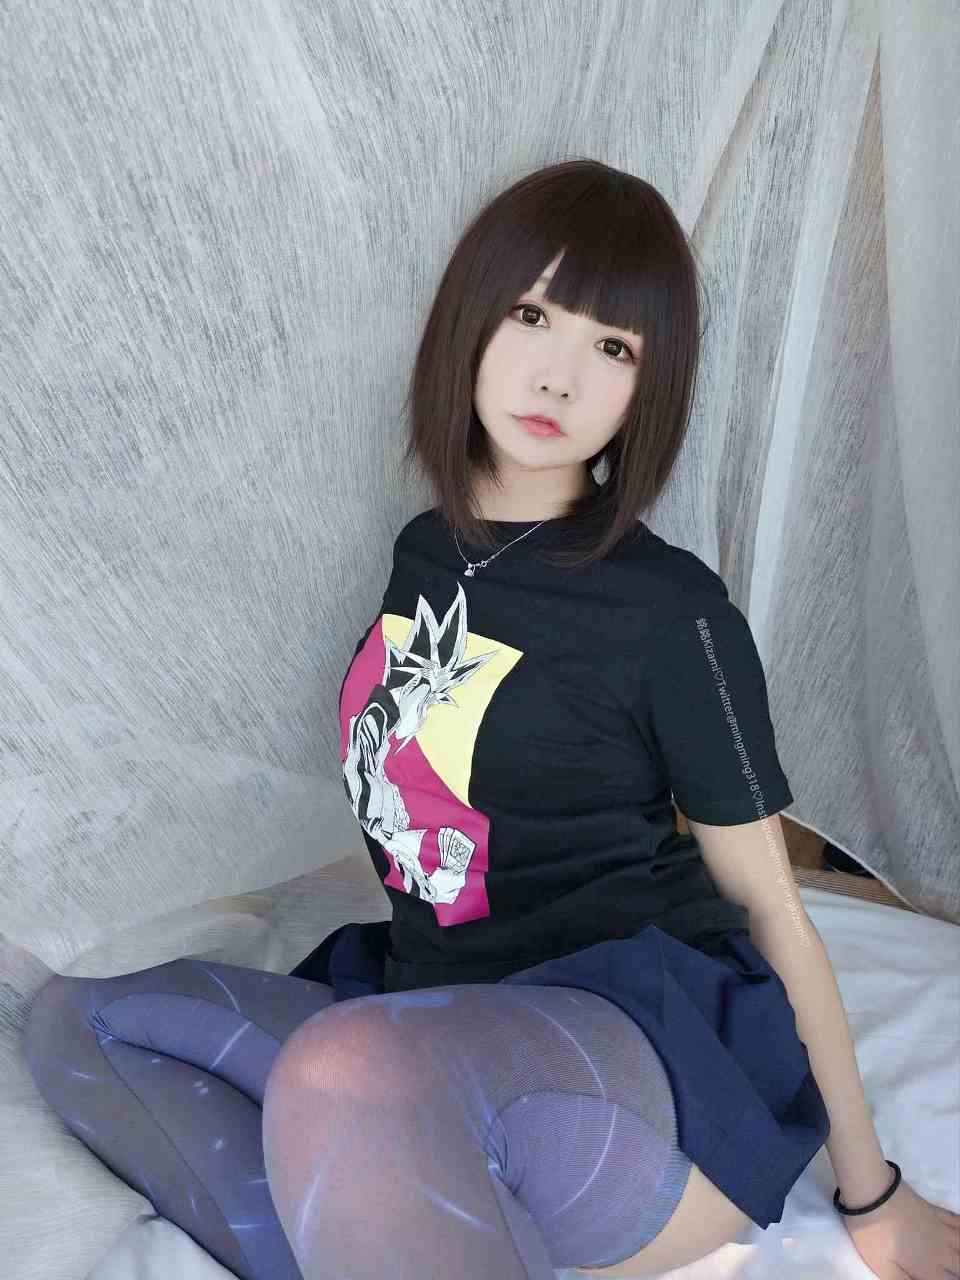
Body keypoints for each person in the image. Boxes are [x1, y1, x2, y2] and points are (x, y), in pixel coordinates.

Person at [22, 159, 958, 1280]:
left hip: (632, 1063)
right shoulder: (427, 550)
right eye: (533, 315)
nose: (559, 375)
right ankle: (395, 1233)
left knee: (342, 1070)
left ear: (646, 389)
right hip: (427, 1017)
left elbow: (774, 906)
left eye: (614, 348)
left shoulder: (670, 610)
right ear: (472, 319)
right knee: (76, 1022)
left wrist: (873, 1192)